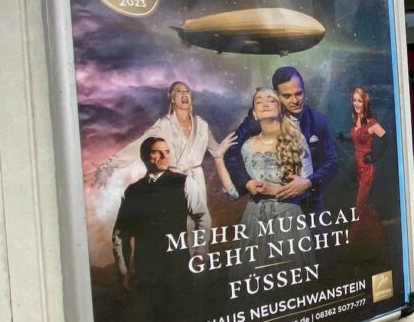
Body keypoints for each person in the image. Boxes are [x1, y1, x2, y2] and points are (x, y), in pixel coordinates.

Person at [93, 81, 225, 236]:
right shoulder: (164, 125)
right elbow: (138, 145)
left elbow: (218, 150)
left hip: (196, 180)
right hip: (172, 181)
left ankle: (200, 257)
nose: (184, 94)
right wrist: (110, 164)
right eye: (178, 91)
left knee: (200, 224)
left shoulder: (202, 125)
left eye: (187, 91)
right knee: (175, 228)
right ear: (172, 98)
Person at [214, 88, 313, 269]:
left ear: (281, 109)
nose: (265, 104)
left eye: (271, 100)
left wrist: (273, 190)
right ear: (254, 113)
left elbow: (307, 185)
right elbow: (234, 193)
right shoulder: (246, 147)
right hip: (253, 222)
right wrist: (219, 157)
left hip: (289, 219)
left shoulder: (297, 140)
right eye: (259, 101)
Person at [227, 66, 337, 216]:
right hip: (270, 208)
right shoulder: (257, 119)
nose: (295, 100)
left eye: (299, 93)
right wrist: (247, 182)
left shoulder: (318, 121)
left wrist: (308, 182)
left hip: (311, 203)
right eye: (287, 96)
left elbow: (332, 162)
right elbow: (230, 152)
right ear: (276, 95)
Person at [112, 137, 192, 312]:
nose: (165, 156)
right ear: (145, 157)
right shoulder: (132, 191)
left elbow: (203, 219)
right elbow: (120, 235)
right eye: (157, 152)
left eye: (167, 151)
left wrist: (201, 253)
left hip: (179, 267)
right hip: (146, 271)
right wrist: (124, 272)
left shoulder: (184, 182)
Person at [347, 86, 392, 250]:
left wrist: (375, 156)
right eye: (354, 100)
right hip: (357, 167)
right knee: (367, 204)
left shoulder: (371, 123)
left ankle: (352, 242)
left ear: (365, 102)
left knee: (360, 204)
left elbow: (387, 139)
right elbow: (355, 139)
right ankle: (376, 239)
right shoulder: (356, 121)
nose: (356, 103)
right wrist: (344, 137)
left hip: (367, 168)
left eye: (359, 100)